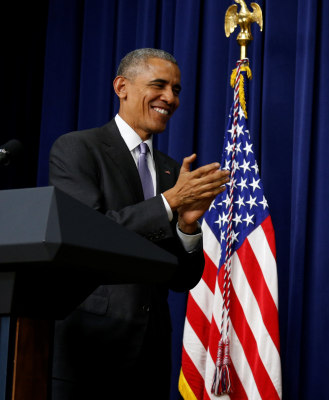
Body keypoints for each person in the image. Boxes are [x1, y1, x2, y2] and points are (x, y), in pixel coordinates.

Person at [48, 48, 230, 399]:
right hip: (88, 351)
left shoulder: (170, 169)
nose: (170, 98)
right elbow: (89, 234)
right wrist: (170, 203)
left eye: (176, 90)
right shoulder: (78, 149)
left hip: (150, 354)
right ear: (122, 87)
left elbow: (182, 279)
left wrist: (189, 228)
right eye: (159, 86)